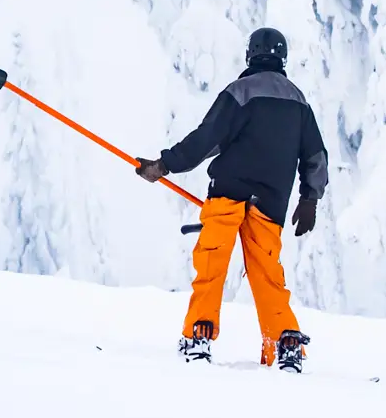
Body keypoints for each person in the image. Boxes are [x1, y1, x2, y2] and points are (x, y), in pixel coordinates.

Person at [135, 27, 328, 373]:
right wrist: (309, 198)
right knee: (268, 274)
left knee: (212, 264)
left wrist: (164, 165)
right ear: (282, 59)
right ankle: (284, 341)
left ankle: (199, 334)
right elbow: (315, 156)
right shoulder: (299, 103)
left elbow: (206, 139)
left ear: (250, 54)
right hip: (270, 203)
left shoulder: (240, 92)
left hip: (228, 193)